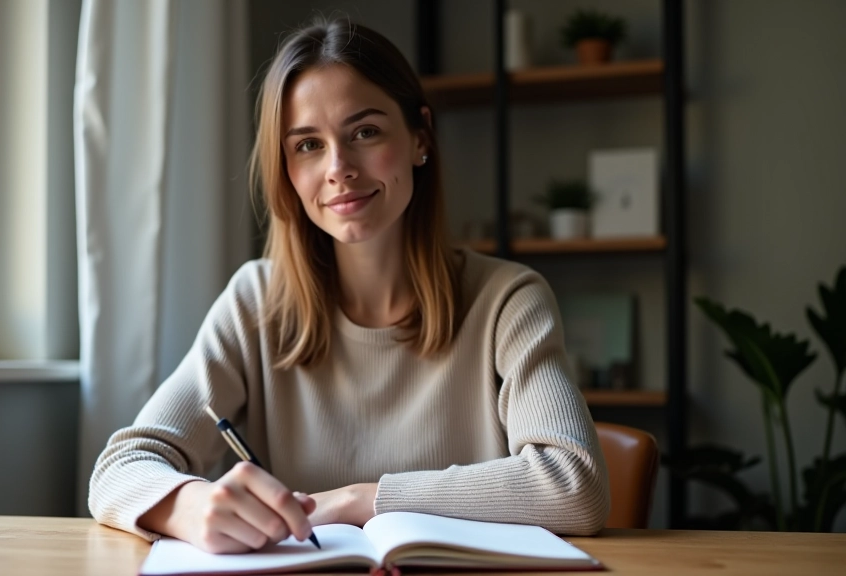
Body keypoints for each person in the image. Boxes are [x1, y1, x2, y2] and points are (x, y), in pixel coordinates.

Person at [89, 17, 609, 554]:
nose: (339, 168)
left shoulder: (508, 299)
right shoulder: (255, 302)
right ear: (286, 169)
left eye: (365, 132)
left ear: (420, 137)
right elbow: (119, 469)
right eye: (308, 144)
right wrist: (193, 505)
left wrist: (362, 500)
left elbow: (575, 486)